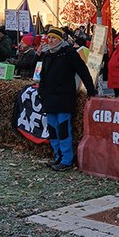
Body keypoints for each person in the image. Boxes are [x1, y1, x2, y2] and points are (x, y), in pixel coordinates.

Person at [37, 27, 96, 172]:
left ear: (60, 40)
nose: (50, 41)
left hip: (64, 97)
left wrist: (90, 89)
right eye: (49, 38)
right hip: (50, 98)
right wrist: (41, 92)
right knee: (53, 130)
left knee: (63, 129)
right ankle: (58, 156)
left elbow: (82, 70)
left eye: (53, 38)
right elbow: (43, 76)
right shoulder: (47, 55)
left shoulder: (69, 53)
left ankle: (67, 159)